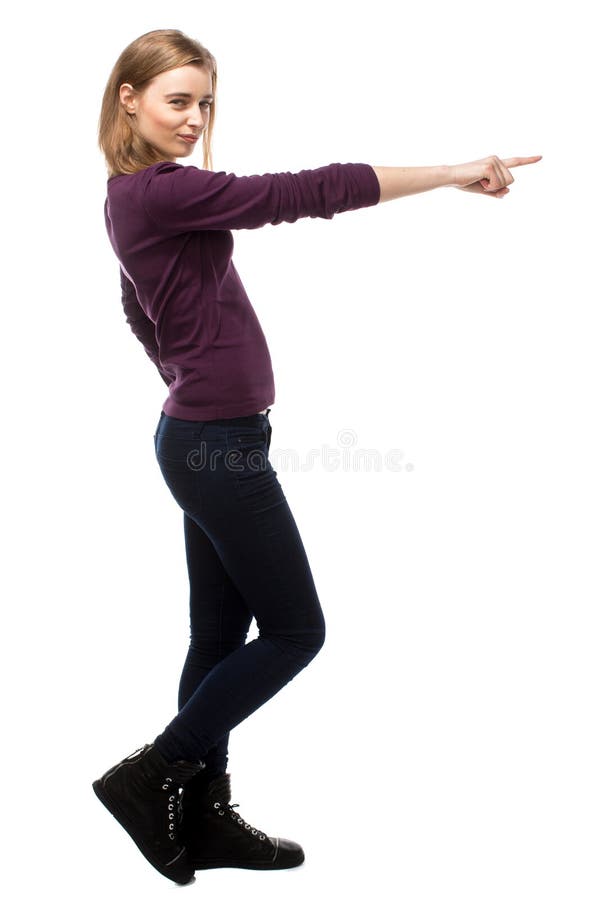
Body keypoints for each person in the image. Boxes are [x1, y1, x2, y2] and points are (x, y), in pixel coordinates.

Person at [92, 28, 542, 886]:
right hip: (214, 443)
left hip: (200, 434)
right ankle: (151, 776)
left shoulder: (129, 197)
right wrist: (453, 172)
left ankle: (206, 814)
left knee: (219, 636)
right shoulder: (162, 192)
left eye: (205, 104)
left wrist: (189, 371)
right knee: (298, 631)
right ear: (130, 100)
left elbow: (136, 310)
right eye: (177, 101)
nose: (194, 119)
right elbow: (306, 192)